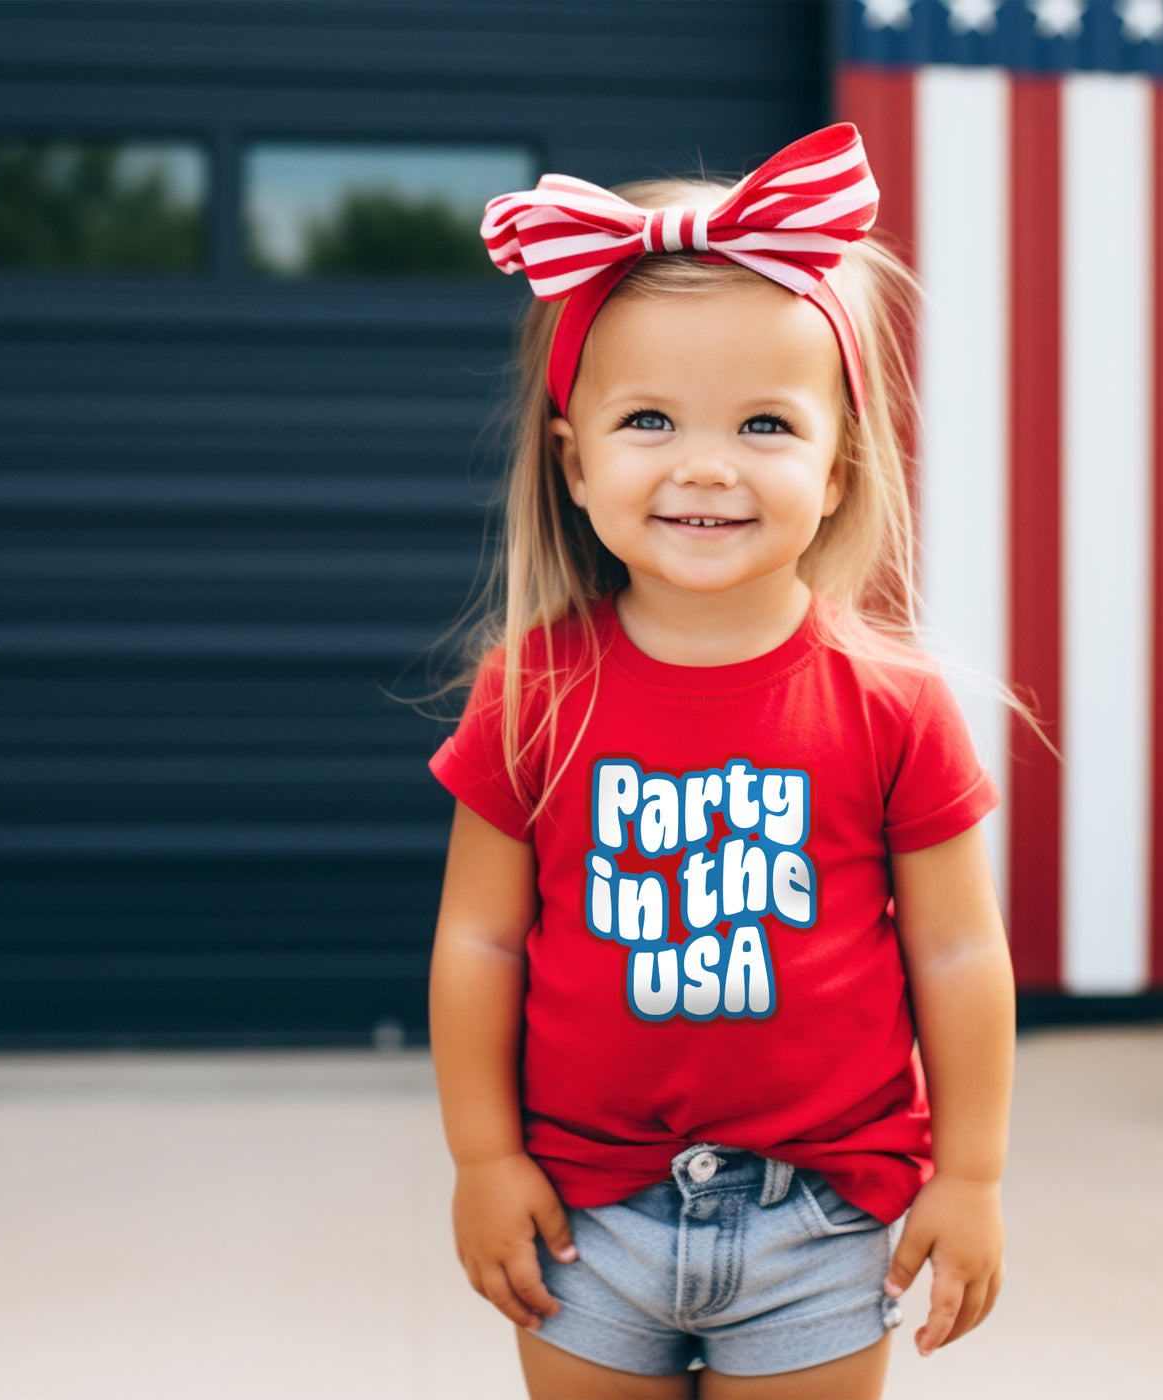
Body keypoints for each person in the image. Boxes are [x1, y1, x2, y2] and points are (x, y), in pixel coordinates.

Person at [426, 124, 1017, 1400]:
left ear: (837, 458)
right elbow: (477, 941)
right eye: (648, 419)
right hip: (585, 1213)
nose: (704, 464)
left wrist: (969, 1174)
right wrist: (482, 1158)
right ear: (574, 460)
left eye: (762, 421)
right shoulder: (530, 693)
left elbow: (959, 951)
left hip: (825, 1214)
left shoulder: (895, 706)